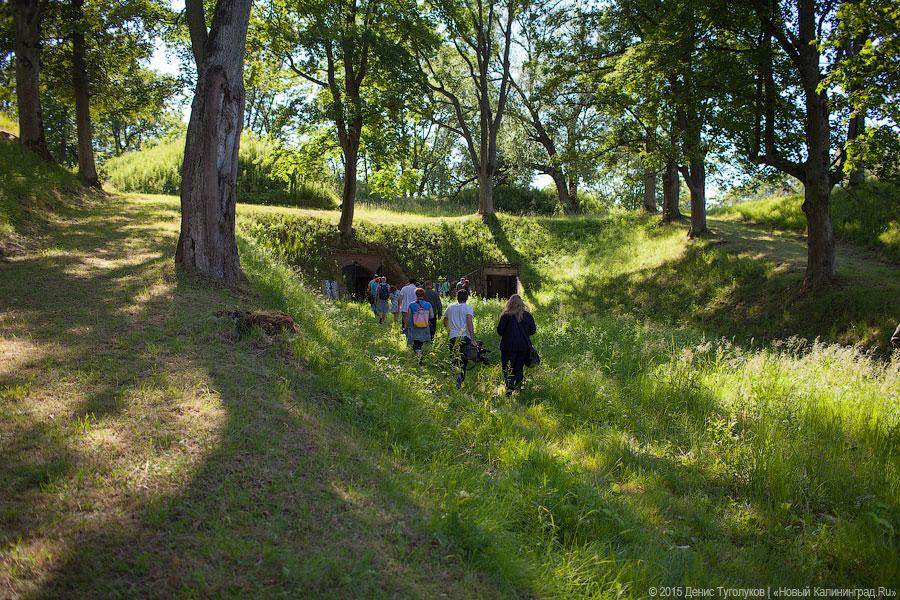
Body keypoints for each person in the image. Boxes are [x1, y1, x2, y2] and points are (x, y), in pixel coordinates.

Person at [496, 294, 536, 396]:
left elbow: (500, 331)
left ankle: (509, 390)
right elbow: (533, 331)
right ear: (521, 303)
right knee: (519, 368)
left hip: (507, 347)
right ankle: (518, 390)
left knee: (507, 368)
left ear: (510, 303)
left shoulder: (506, 316)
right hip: (523, 347)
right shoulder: (528, 316)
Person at [443, 289, 475, 388]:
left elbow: (445, 321)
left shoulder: (450, 307)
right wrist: (473, 338)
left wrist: (449, 331)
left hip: (453, 337)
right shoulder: (468, 308)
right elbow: (469, 323)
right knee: (463, 360)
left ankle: (455, 380)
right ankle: (459, 381)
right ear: (467, 297)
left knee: (454, 359)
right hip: (465, 337)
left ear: (457, 297)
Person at [405, 287, 434, 362]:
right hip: (425, 325)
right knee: (421, 341)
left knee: (416, 341)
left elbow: (407, 317)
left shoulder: (411, 305)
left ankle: (419, 354)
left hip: (415, 326)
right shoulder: (428, 304)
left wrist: (405, 326)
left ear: (416, 295)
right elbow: (432, 316)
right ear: (423, 295)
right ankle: (419, 353)